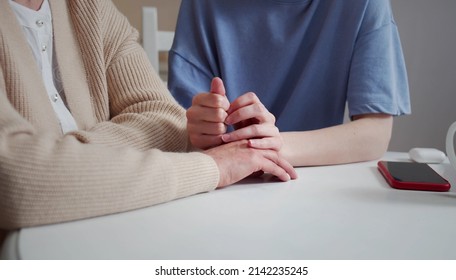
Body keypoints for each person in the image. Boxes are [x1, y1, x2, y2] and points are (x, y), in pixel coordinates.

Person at [0, 0, 297, 241]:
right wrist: (213, 168)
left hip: (111, 235)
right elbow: (14, 179)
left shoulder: (91, 7)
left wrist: (60, 160)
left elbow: (166, 119)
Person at [168, 0, 411, 167]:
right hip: (220, 180)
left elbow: (375, 133)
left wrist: (278, 146)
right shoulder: (202, 4)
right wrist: (200, 132)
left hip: (314, 181)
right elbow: (178, 127)